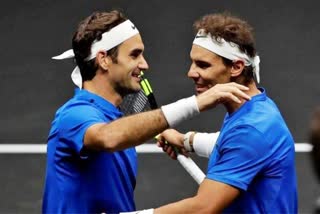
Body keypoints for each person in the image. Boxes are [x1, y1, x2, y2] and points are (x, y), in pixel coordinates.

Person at [42, 10, 251, 214]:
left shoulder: (116, 120)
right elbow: (108, 136)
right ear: (104, 59)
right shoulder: (73, 115)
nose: (144, 64)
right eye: (135, 55)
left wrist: (181, 138)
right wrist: (196, 103)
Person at [126, 12, 298, 214]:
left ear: (236, 67)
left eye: (203, 65)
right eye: (193, 62)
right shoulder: (256, 108)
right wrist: (185, 141)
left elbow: (202, 208)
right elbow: (228, 142)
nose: (191, 73)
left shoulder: (252, 130)